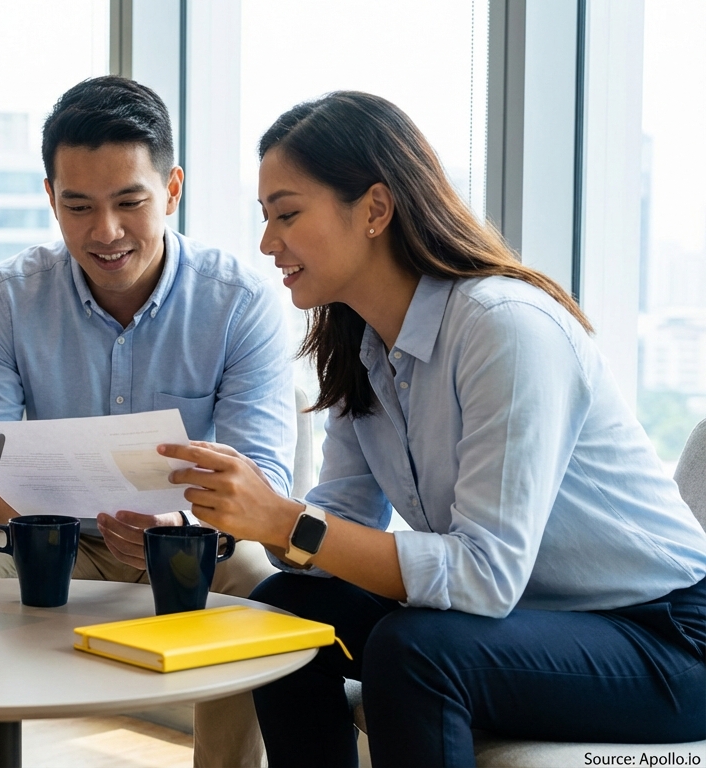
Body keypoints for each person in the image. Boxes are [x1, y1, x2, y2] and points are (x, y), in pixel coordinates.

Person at [158, 91, 706, 767]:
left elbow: (484, 575)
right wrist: (247, 519)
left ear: (376, 210)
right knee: (284, 610)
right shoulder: (362, 346)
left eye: (288, 214)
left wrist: (287, 521)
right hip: (532, 619)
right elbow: (336, 521)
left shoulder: (504, 327)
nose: (268, 242)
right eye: (266, 218)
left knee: (415, 652)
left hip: (664, 641)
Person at [0, 75, 297, 768]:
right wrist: (28, 527)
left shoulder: (239, 303)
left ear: (171, 190)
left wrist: (185, 531)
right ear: (50, 198)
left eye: (130, 202)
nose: (105, 233)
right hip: (39, 542)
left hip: (188, 544)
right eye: (78, 206)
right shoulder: (6, 299)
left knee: (257, 578)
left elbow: (266, 477)